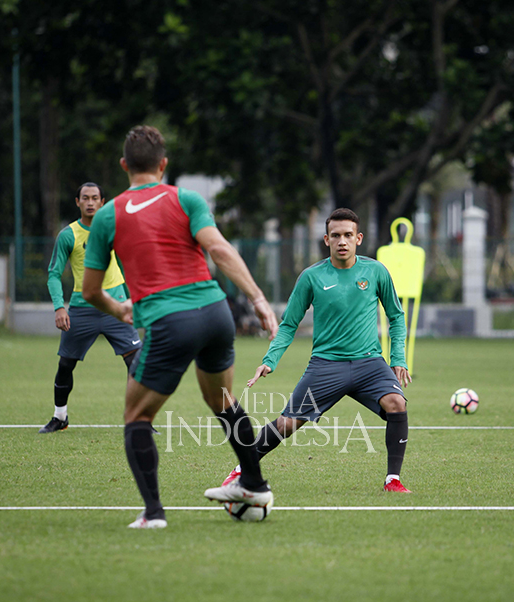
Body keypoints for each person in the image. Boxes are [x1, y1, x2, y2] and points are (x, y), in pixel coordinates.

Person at [82, 125, 280, 529]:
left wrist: (118, 309)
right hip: (216, 313)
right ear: (163, 164)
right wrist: (258, 299)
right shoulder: (185, 199)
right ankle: (254, 484)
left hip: (171, 322)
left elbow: (89, 291)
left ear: (124, 166)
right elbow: (220, 250)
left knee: (137, 416)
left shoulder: (107, 215)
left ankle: (153, 513)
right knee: (223, 401)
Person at [220, 207, 413, 494]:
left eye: (348, 235)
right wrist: (270, 360)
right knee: (286, 424)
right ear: (326, 239)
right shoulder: (311, 277)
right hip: (326, 366)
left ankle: (392, 481)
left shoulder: (376, 272)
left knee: (397, 403)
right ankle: (242, 468)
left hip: (369, 363)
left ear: (358, 238)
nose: (342, 241)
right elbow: (288, 324)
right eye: (336, 236)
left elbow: (396, 317)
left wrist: (398, 358)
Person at [40, 182, 142, 433]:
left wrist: (137, 299)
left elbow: (132, 265)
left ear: (102, 201)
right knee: (65, 365)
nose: (90, 202)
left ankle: (140, 420)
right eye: (85, 198)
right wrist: (59, 307)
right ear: (77, 202)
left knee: (136, 363)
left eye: (95, 198)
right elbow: (53, 274)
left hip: (116, 307)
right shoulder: (68, 235)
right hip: (82, 308)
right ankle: (60, 417)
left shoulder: (115, 231)